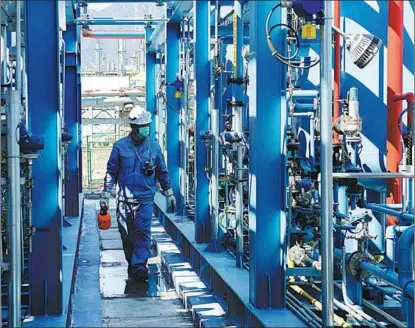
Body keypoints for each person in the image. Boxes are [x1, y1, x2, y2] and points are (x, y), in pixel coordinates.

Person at [103, 106, 176, 282]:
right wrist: (106, 193)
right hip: (123, 200)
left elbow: (162, 171)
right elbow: (112, 171)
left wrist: (169, 192)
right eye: (143, 125)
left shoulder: (153, 146)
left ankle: (139, 266)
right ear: (134, 128)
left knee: (142, 233)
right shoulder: (120, 146)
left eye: (148, 125)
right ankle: (132, 263)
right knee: (127, 235)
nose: (146, 128)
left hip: (145, 199)